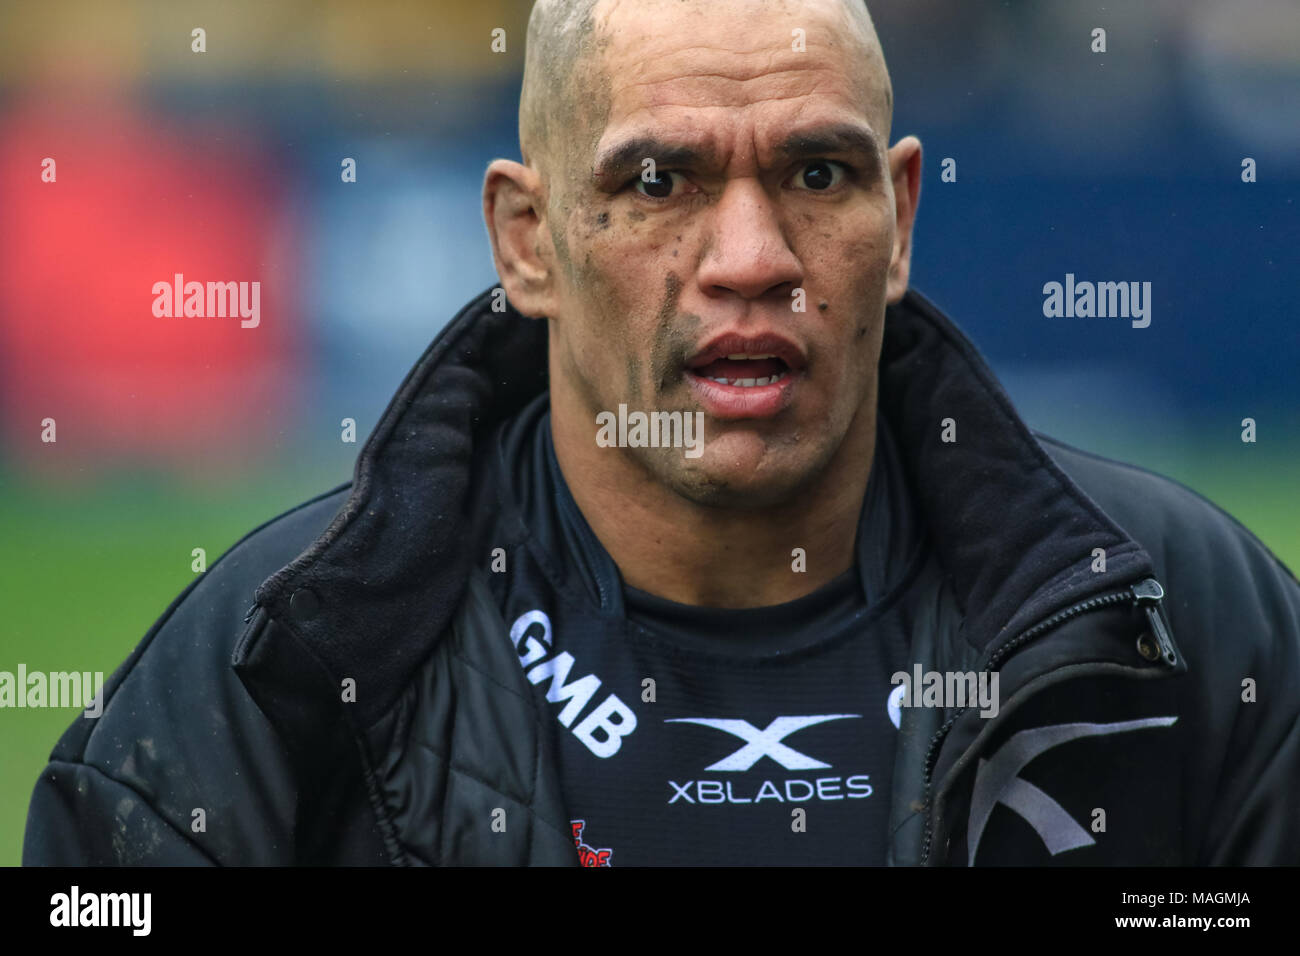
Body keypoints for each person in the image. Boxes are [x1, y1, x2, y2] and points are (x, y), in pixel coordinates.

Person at [24, 0, 1300, 866]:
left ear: (900, 217)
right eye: (656, 182)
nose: (751, 259)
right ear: (528, 240)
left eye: (816, 174)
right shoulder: (273, 662)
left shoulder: (1189, 619)